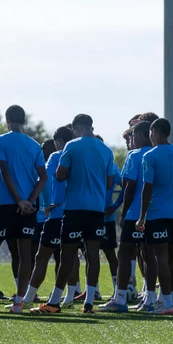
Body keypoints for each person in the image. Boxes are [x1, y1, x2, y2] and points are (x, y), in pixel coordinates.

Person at [37, 114, 114, 314]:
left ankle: (54, 302)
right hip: (96, 209)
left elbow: (60, 175)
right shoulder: (106, 150)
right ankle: (88, 302)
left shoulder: (71, 146)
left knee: (67, 256)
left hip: (74, 208)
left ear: (76, 128)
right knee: (93, 255)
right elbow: (109, 183)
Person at [0, 105, 48, 313]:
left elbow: (4, 171)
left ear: (6, 119)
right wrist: (29, 201)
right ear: (24, 120)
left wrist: (19, 200)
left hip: (5, 203)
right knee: (24, 255)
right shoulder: (34, 145)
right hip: (28, 207)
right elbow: (43, 177)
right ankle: (19, 302)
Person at [132, 118, 173, 316]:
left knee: (161, 259)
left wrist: (141, 217)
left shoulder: (149, 156)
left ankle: (166, 304)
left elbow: (147, 188)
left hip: (158, 213)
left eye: (151, 132)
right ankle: (169, 299)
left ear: (155, 132)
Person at [112, 121, 151, 307]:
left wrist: (124, 212)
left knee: (125, 253)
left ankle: (120, 298)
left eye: (133, 135)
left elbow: (129, 187)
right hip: (155, 214)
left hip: (135, 214)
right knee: (150, 255)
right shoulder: (162, 153)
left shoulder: (134, 155)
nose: (132, 140)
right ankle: (151, 298)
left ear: (142, 135)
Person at [25, 137, 67, 307]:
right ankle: (70, 296)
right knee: (66, 256)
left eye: (45, 149)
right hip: (63, 214)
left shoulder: (55, 158)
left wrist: (49, 204)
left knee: (42, 256)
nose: (43, 153)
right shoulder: (75, 157)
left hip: (52, 216)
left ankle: (29, 298)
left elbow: (45, 180)